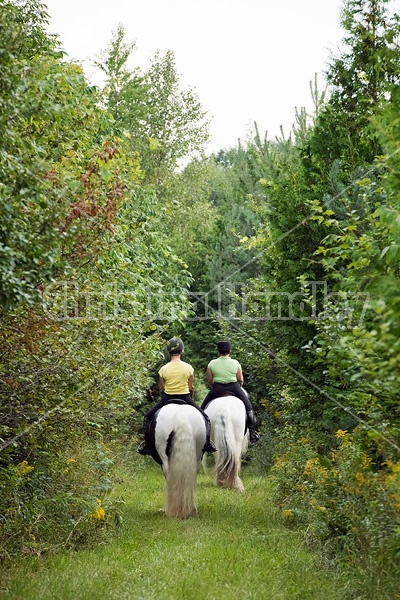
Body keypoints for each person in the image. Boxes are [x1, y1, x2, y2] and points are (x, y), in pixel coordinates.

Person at [137, 337, 216, 455]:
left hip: (167, 398)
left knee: (147, 418)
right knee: (206, 418)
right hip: (185, 397)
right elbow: (190, 388)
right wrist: (191, 398)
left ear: (169, 351)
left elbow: (162, 389)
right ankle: (207, 443)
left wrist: (164, 395)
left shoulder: (163, 369)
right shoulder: (188, 368)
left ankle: (147, 445)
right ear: (182, 351)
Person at [201, 340, 260, 443]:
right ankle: (252, 433)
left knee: (202, 409)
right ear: (230, 350)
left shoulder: (212, 363)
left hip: (217, 388)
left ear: (218, 351)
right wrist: (238, 387)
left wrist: (214, 387)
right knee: (249, 408)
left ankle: (203, 436)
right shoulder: (235, 363)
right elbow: (241, 380)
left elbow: (210, 380)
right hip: (234, 387)